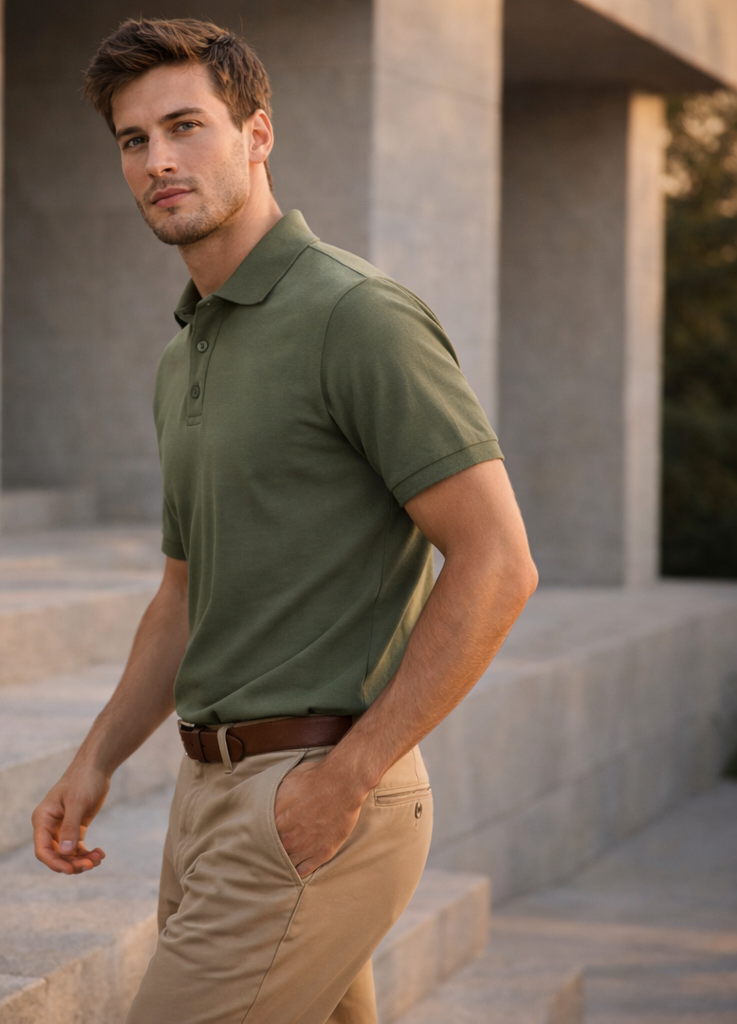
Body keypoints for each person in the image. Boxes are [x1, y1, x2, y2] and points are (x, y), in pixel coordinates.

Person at [31, 17, 538, 1024]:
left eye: (185, 126)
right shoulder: (185, 356)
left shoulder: (357, 316)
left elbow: (497, 561)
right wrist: (95, 758)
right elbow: (184, 592)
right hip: (207, 797)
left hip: (317, 788)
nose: (158, 160)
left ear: (257, 135)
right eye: (134, 140)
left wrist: (348, 776)